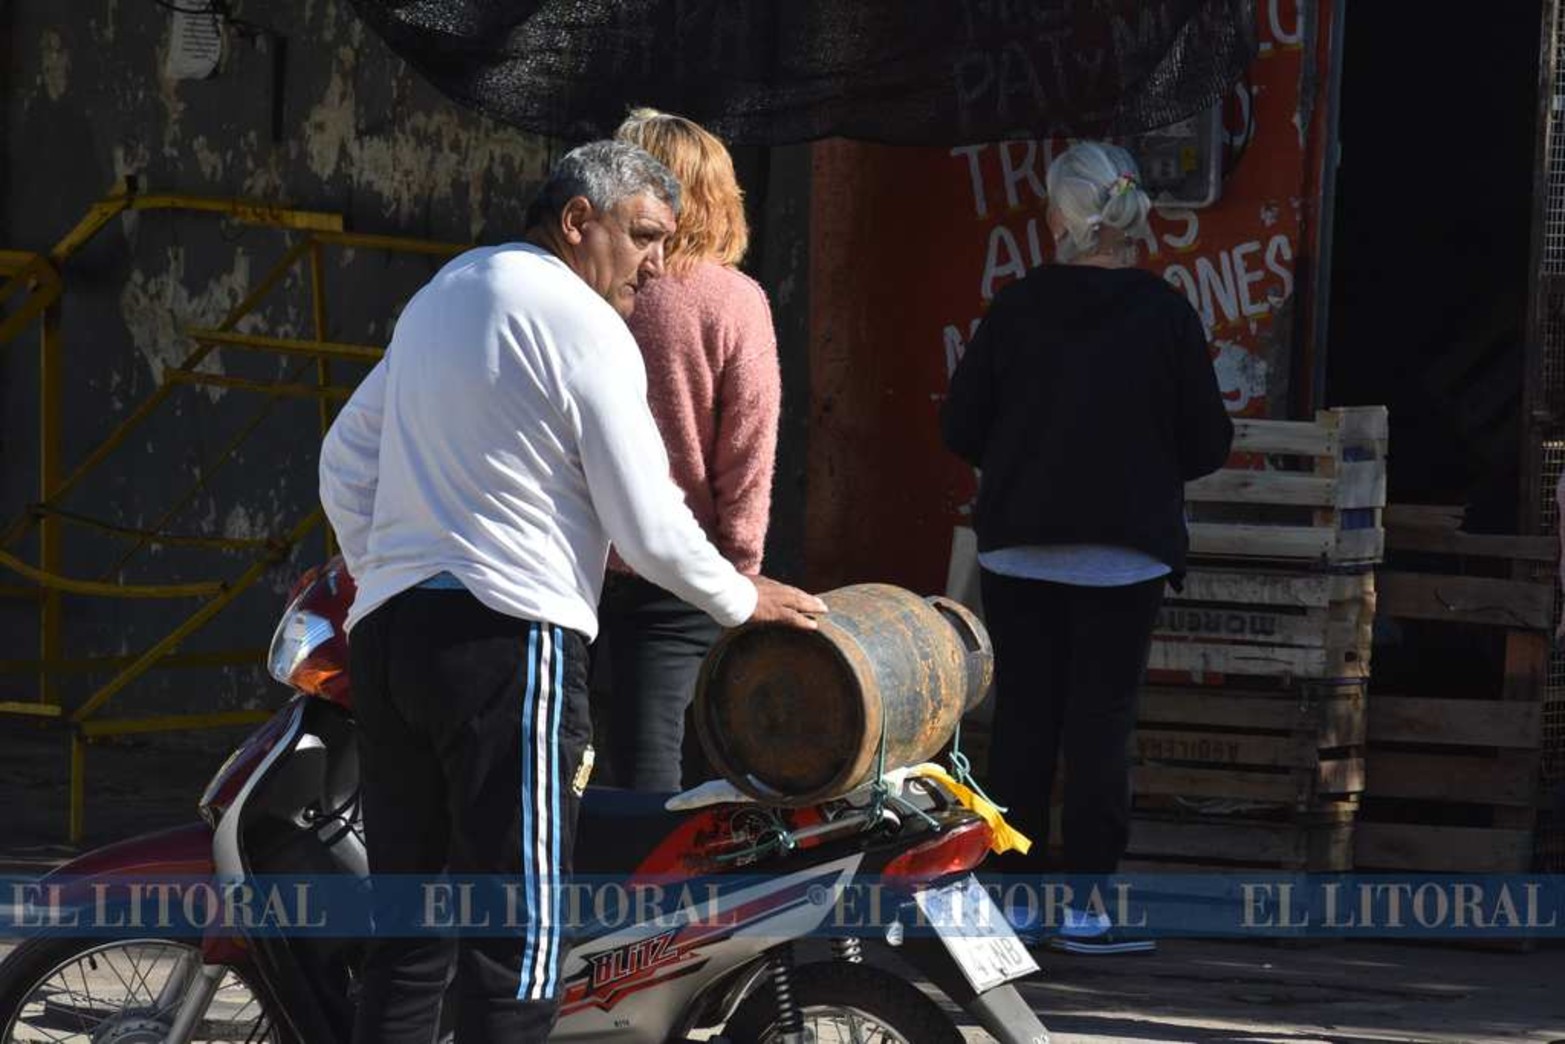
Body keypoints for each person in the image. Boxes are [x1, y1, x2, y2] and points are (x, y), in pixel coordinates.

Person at [319, 139, 826, 1044]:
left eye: (664, 241)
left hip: (391, 641)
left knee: (409, 932)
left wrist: (397, 565)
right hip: (507, 645)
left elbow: (343, 462)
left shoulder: (447, 292)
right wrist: (741, 597)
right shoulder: (584, 324)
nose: (655, 264)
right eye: (642, 236)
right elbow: (647, 523)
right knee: (518, 933)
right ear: (575, 222)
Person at [940, 141, 1234, 954]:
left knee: (1025, 722)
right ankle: (1088, 909)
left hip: (1019, 551)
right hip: (1124, 556)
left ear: (1060, 218)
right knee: (1100, 726)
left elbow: (959, 427)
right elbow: (1207, 442)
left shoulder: (1015, 307)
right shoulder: (1165, 312)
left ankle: (1016, 899)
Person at [594, 108, 781, 792]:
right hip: (681, 576)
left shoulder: (586, 290)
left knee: (564, 755)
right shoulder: (733, 302)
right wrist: (739, 576)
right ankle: (647, 899)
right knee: (657, 764)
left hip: (573, 557)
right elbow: (747, 453)